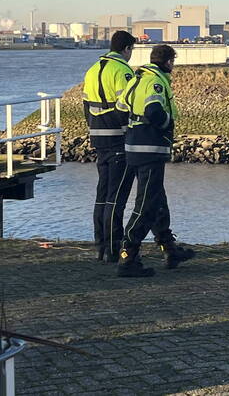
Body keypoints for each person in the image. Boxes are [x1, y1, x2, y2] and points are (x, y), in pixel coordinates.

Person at [114, 44, 195, 278]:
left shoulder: (137, 78)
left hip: (134, 147)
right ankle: (128, 255)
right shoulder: (155, 82)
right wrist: (167, 124)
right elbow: (154, 112)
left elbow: (120, 110)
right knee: (146, 205)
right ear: (169, 62)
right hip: (150, 149)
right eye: (173, 62)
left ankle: (169, 248)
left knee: (158, 199)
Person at [82, 30, 135, 262]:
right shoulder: (122, 70)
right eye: (131, 50)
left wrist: (94, 127)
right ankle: (113, 248)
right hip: (117, 139)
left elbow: (86, 105)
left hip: (98, 136)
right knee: (116, 196)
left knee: (102, 194)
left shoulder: (93, 69)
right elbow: (127, 106)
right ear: (127, 49)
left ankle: (100, 245)